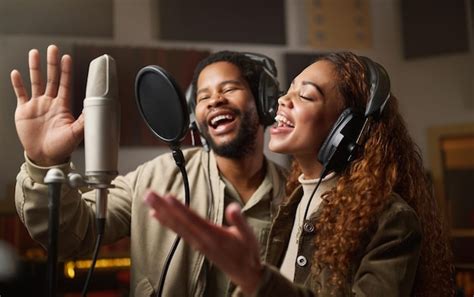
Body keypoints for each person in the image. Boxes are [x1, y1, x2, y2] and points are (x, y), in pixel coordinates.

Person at [144, 52, 455, 296]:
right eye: (287, 92)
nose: (281, 100)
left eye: (305, 96)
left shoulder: (391, 220)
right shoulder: (290, 205)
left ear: (345, 130)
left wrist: (255, 278)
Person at [10, 45, 287, 296]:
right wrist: (44, 160)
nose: (215, 100)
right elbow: (71, 235)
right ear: (194, 119)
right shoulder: (153, 179)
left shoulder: (296, 196)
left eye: (228, 89)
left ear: (263, 101)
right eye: (203, 97)